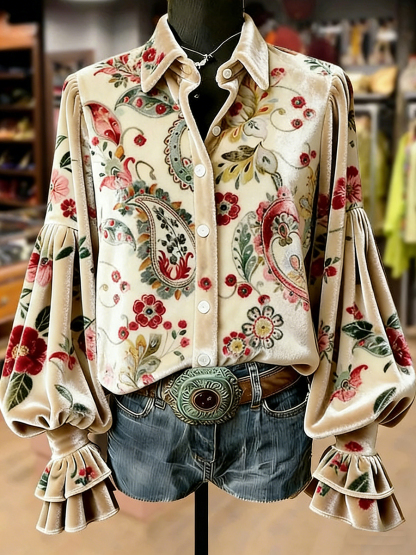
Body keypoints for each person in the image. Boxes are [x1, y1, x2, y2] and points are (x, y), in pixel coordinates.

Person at [1, 0, 414, 536]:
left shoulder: (319, 90)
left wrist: (356, 422)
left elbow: (337, 255)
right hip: (142, 416)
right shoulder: (93, 94)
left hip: (273, 411)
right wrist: (64, 427)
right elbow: (73, 253)